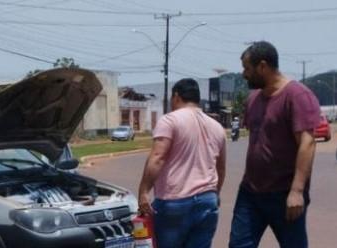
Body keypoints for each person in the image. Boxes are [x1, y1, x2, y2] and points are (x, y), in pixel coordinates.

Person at [229, 41, 320, 248]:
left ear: (263, 66)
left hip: (285, 193)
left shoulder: (297, 95)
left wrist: (297, 191)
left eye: (247, 68)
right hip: (250, 193)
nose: (244, 74)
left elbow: (307, 143)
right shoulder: (253, 99)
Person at [137, 78, 227, 248]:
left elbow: (157, 157)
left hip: (175, 202)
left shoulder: (170, 120)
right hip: (208, 201)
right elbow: (220, 168)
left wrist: (143, 192)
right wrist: (216, 194)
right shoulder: (217, 127)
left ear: (176, 96)